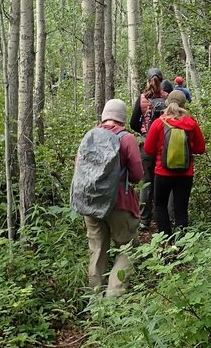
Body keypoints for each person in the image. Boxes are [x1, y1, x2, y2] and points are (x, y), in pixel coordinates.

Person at [81, 99, 143, 296]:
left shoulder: (90, 136)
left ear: (104, 115)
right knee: (128, 248)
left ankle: (94, 298)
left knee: (97, 250)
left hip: (90, 202)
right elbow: (137, 174)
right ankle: (113, 297)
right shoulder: (127, 139)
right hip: (119, 203)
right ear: (123, 118)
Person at [143, 90, 205, 237]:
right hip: (185, 174)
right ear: (184, 104)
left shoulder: (159, 123)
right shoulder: (191, 123)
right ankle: (181, 245)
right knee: (181, 210)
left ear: (167, 103)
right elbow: (200, 148)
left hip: (162, 173)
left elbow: (148, 149)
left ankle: (166, 240)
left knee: (160, 206)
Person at [130, 67, 169, 231]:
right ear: (162, 80)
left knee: (147, 182)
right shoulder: (167, 98)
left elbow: (133, 123)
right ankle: (163, 217)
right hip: (164, 146)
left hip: (146, 146)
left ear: (148, 80)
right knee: (163, 181)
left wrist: (144, 131)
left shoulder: (142, 99)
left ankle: (144, 220)